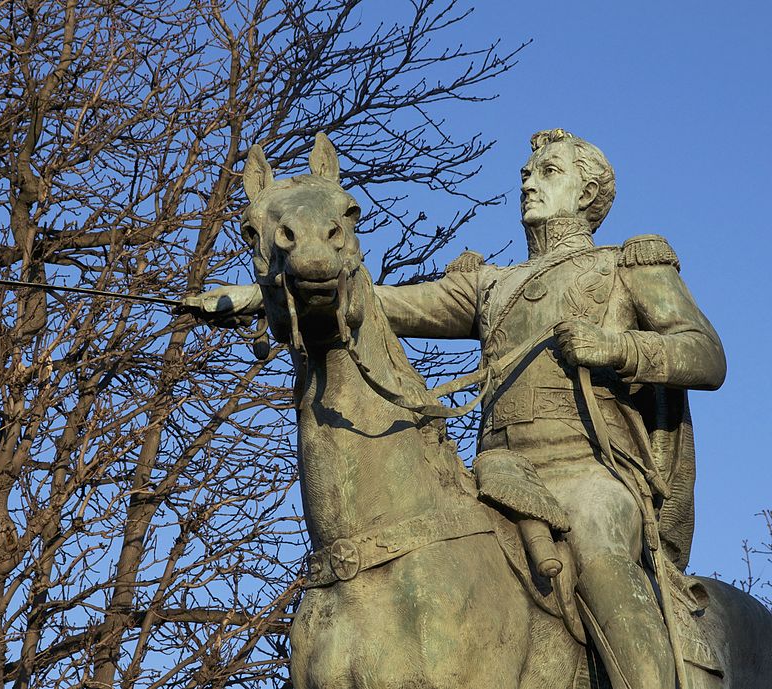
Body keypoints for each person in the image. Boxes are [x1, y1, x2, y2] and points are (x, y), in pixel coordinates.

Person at [187, 129, 725, 688]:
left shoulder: (624, 266)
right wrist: (263, 291)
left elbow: (705, 353)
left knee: (602, 563)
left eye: (548, 172)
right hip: (497, 475)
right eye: (526, 172)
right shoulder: (490, 285)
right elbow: (371, 299)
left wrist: (617, 346)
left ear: (587, 194)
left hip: (587, 472)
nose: (529, 182)